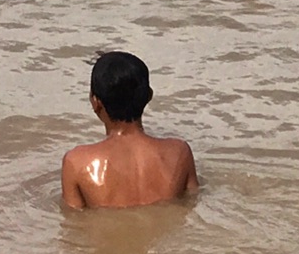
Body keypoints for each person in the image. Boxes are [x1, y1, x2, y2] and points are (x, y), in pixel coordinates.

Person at [61, 52, 198, 210]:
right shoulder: (179, 153)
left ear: (95, 102)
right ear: (149, 96)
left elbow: (73, 224)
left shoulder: (77, 163)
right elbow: (191, 204)